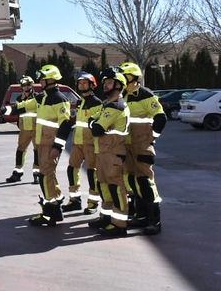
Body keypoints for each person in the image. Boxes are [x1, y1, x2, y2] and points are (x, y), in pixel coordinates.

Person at [0, 65, 73, 226]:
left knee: (45, 176)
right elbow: (22, 106)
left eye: (43, 78)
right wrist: (3, 110)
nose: (40, 81)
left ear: (51, 80)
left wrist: (58, 147)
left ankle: (50, 212)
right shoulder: (41, 98)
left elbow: (65, 125)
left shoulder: (60, 99)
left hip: (50, 145)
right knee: (47, 175)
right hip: (42, 143)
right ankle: (55, 208)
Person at [120, 61, 167, 235]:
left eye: (124, 76)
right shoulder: (124, 96)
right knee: (132, 180)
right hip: (127, 145)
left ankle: (154, 220)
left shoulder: (146, 95)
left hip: (141, 145)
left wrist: (151, 139)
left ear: (133, 77)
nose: (122, 80)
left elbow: (161, 118)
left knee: (145, 181)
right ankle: (140, 216)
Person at [86, 68, 131, 236]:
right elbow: (92, 120)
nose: (105, 86)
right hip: (104, 152)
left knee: (116, 187)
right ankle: (106, 218)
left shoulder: (116, 106)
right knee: (104, 186)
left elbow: (96, 128)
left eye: (110, 83)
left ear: (119, 86)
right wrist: (94, 123)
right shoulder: (107, 105)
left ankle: (119, 224)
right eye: (104, 83)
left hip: (113, 152)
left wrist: (94, 124)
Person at [61, 72, 102, 214]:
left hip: (91, 144)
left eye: (85, 83)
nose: (82, 85)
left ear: (92, 85)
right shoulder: (79, 102)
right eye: (80, 83)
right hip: (77, 143)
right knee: (71, 170)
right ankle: (75, 201)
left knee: (92, 173)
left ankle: (93, 203)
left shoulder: (97, 103)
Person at [4, 76, 41, 184]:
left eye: (28, 85)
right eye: (24, 85)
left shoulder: (38, 97)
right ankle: (17, 173)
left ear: (32, 85)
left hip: (36, 127)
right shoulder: (19, 98)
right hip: (24, 128)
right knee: (20, 150)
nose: (26, 87)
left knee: (37, 151)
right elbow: (17, 110)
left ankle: (37, 174)